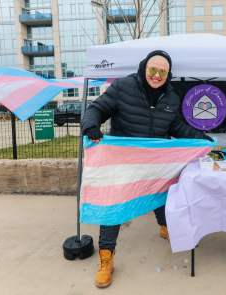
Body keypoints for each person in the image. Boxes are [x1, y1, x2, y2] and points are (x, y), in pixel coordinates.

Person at [82, 50, 212, 288]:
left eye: (162, 72)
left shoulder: (171, 98)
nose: (156, 75)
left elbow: (177, 126)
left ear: (168, 74)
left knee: (162, 194)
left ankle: (165, 227)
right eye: (153, 69)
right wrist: (91, 125)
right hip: (123, 162)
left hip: (155, 163)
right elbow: (96, 108)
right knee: (115, 208)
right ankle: (106, 258)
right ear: (144, 68)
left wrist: (201, 138)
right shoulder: (124, 87)